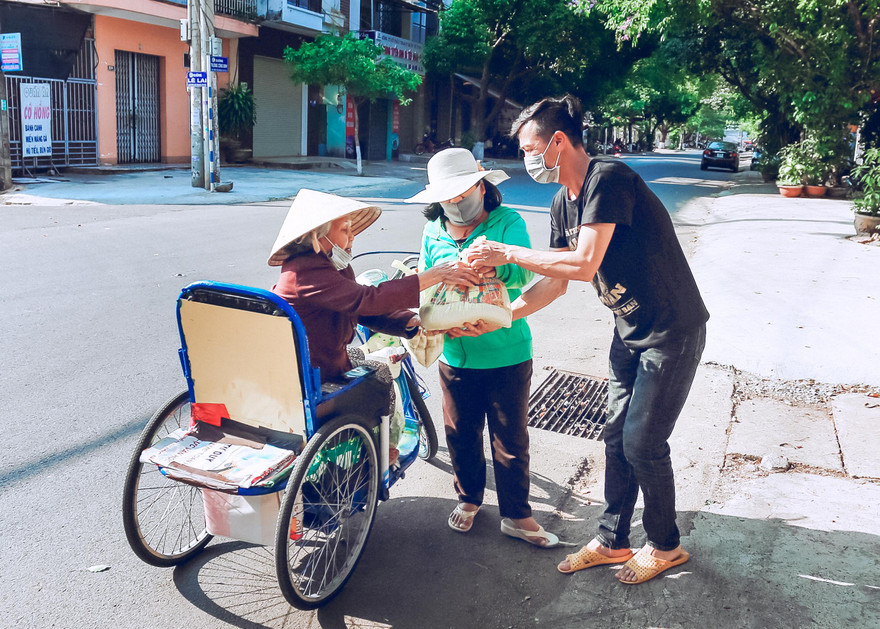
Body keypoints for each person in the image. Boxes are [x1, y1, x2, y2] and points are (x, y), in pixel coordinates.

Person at [465, 96, 708, 583]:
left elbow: (582, 264)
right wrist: (500, 315)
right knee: (616, 437)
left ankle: (665, 544)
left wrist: (504, 251)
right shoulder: (561, 202)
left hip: (672, 330)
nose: (527, 159)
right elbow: (555, 282)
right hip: (630, 330)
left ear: (557, 142)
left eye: (530, 148)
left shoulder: (609, 178)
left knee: (643, 441)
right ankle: (614, 540)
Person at [405, 148, 559, 547]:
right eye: (447, 195)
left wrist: (494, 264)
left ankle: (517, 515)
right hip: (455, 353)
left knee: (510, 439)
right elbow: (425, 279)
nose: (456, 201)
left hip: (507, 351)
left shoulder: (508, 221)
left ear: (482, 185)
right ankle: (470, 498)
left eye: (463, 191)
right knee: (460, 432)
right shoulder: (433, 230)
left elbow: (526, 271)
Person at [268, 189, 479, 461]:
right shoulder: (307, 272)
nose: (352, 236)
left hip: (318, 364)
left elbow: (359, 309)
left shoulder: (323, 266)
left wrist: (411, 323)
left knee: (363, 358)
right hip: (316, 376)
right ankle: (375, 453)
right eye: (344, 229)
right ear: (316, 236)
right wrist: (432, 276)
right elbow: (366, 299)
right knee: (380, 375)